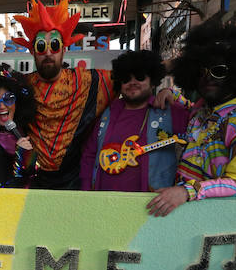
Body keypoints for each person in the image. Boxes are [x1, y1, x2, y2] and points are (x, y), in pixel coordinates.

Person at [147, 20, 236, 217]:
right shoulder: (206, 107)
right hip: (178, 209)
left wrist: (187, 191)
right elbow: (199, 116)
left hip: (210, 216)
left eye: (219, 71)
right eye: (201, 71)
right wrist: (170, 93)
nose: (208, 78)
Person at [11, 0, 114, 189]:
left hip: (75, 181)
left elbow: (133, 79)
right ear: (33, 51)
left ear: (64, 50)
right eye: (41, 46)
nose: (48, 53)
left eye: (55, 45)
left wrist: (168, 91)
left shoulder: (86, 81)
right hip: (34, 182)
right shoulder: (21, 85)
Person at [80, 50, 189, 192]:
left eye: (140, 77)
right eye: (126, 79)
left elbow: (203, 118)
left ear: (153, 82)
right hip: (103, 203)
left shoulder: (168, 111)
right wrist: (86, 190)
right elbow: (90, 154)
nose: (132, 83)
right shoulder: (108, 113)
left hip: (153, 206)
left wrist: (174, 95)